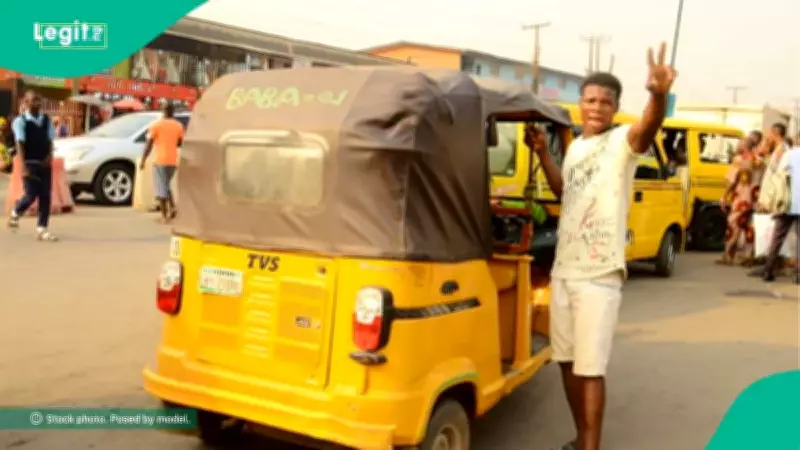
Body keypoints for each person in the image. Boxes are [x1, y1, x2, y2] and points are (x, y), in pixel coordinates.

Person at [530, 43, 676, 450]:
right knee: (565, 361)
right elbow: (566, 192)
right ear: (580, 104)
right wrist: (543, 154)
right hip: (565, 269)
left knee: (590, 368)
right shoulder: (576, 148)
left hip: (598, 273)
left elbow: (647, 128)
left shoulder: (621, 143)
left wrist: (658, 96)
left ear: (615, 108)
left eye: (605, 102)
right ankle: (582, 438)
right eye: (590, 100)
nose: (596, 107)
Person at [6, 90, 58, 241]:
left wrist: (50, 156)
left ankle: (42, 229)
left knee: (45, 196)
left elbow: (50, 140)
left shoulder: (46, 120)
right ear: (26, 103)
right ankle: (16, 212)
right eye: (33, 101)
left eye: (38, 101)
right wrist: (23, 166)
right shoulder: (20, 121)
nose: (36, 104)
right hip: (29, 162)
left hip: (45, 163)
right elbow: (20, 144)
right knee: (31, 195)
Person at [758, 142, 800, 283]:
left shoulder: (789, 155)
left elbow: (779, 176)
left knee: (777, 237)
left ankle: (768, 270)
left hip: (787, 201)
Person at [140, 102, 184, 223]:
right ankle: (173, 208)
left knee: (161, 189)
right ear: (173, 111)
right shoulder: (179, 126)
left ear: (163, 111)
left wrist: (143, 160)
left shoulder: (156, 125)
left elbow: (148, 144)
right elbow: (181, 142)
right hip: (173, 161)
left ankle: (164, 216)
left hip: (160, 161)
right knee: (165, 185)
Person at [718, 168, 755, 265]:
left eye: (746, 175)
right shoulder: (735, 187)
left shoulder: (752, 187)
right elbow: (726, 198)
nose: (744, 177)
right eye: (742, 175)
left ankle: (747, 257)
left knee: (749, 235)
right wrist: (724, 204)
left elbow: (755, 199)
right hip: (735, 214)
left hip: (748, 214)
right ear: (739, 176)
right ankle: (728, 255)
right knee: (732, 235)